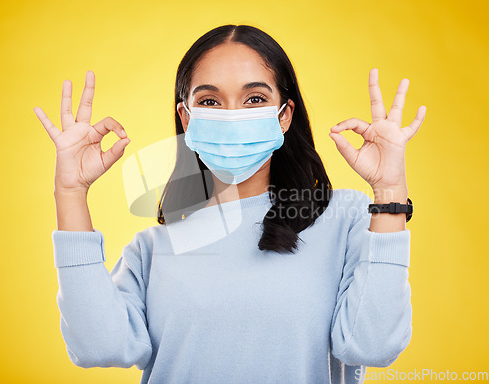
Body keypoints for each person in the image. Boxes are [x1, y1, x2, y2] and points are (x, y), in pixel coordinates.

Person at [34, 24, 426, 384]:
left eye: (254, 98)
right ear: (186, 119)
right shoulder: (152, 248)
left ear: (284, 115)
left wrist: (390, 191)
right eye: (210, 101)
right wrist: (70, 193)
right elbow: (97, 348)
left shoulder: (346, 219)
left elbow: (373, 346)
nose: (233, 115)